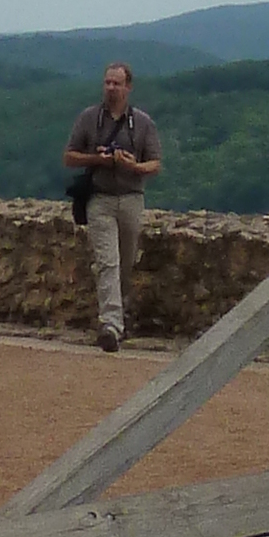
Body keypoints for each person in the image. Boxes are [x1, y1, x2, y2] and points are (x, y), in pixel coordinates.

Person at [63, 59, 161, 352]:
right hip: (100, 198)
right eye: (107, 82)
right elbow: (69, 157)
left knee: (125, 263)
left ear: (128, 87)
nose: (111, 88)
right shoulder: (88, 119)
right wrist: (98, 159)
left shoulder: (143, 123)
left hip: (131, 198)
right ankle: (111, 325)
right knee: (108, 261)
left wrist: (135, 166)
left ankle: (117, 318)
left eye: (116, 83)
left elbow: (155, 164)